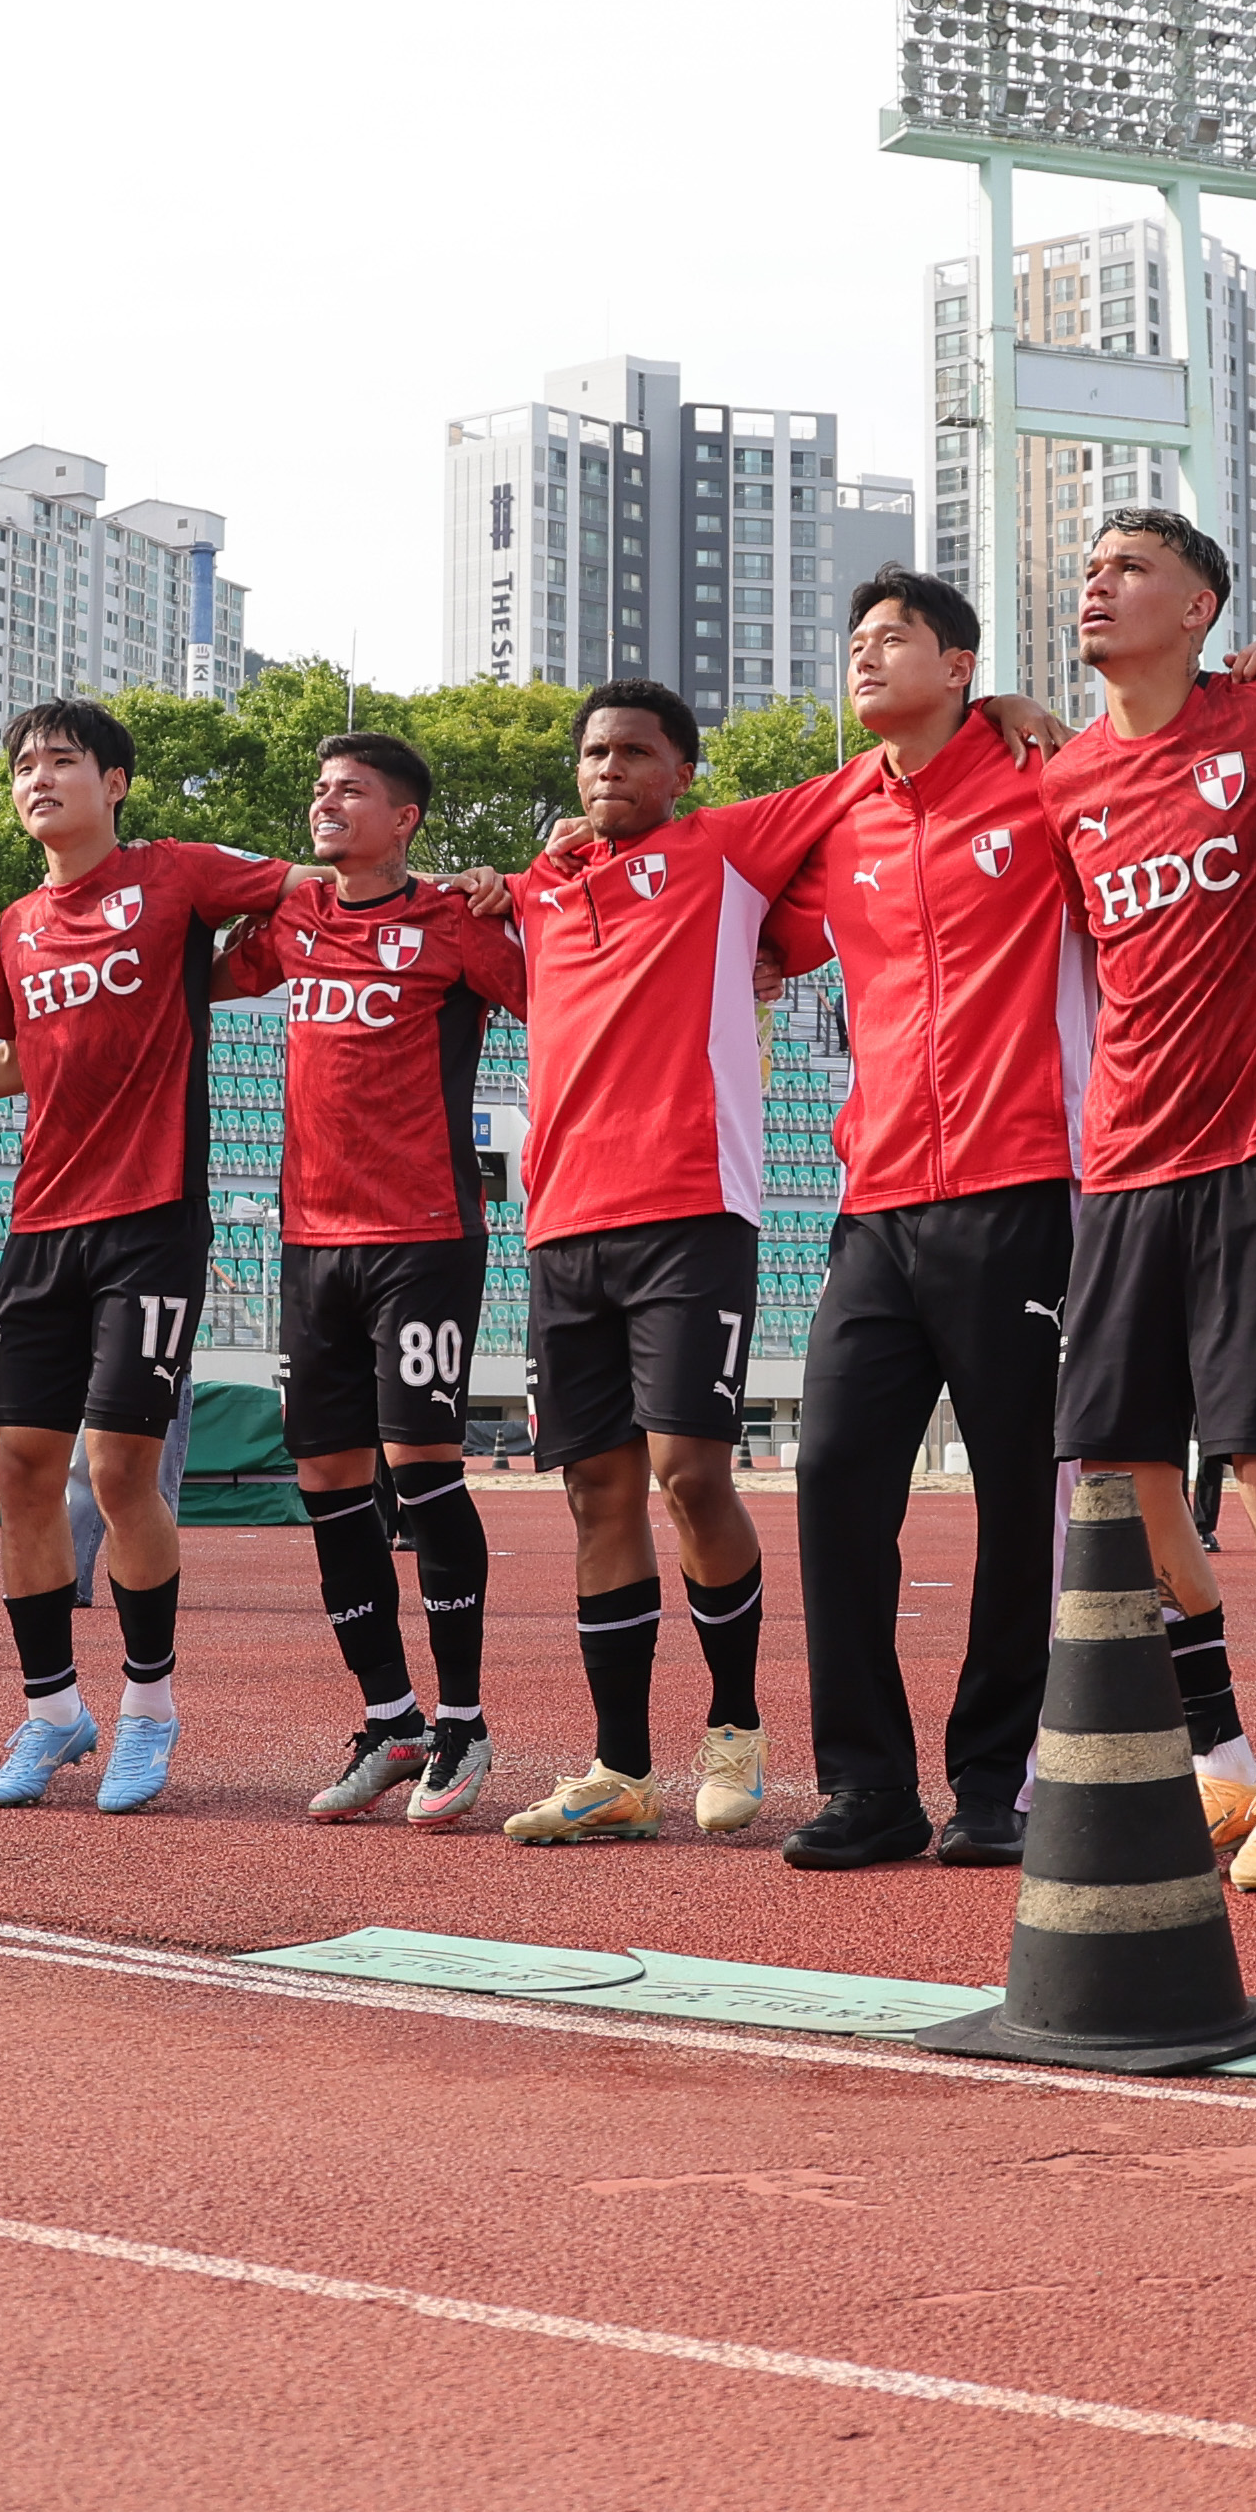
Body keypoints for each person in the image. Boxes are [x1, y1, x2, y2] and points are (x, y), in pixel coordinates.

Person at [1027, 508, 1256, 1892]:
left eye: (1130, 568)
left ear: (1199, 606)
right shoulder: (1065, 778)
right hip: (1123, 1162)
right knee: (1118, 1469)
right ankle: (1223, 1757)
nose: (1097, 584)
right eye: (1089, 568)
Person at [0, 701, 297, 1811]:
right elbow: (16, 1059)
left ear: (115, 783)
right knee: (20, 1472)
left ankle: (149, 1707)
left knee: (117, 1469)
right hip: (38, 1227)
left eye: (63, 759)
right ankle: (52, 1712)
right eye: (24, 765)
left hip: (150, 1217)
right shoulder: (18, 922)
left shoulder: (175, 874)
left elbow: (307, 889)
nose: (39, 777)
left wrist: (242, 967)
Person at [752, 572, 1090, 1875]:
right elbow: (736, 909)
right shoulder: (835, 811)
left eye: (893, 636)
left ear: (960, 665)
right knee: (833, 1475)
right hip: (874, 1203)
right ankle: (866, 1784)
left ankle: (997, 1778)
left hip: (1023, 1187)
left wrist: (1031, 715)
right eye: (854, 639)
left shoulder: (1039, 776)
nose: (864, 654)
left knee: (1021, 1497)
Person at [485, 679, 861, 1846]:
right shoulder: (539, 886)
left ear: (682, 772)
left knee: (689, 1472)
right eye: (594, 752)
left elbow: (874, 777)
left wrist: (992, 707)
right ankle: (617, 1768)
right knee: (594, 1492)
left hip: (691, 1208)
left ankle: (735, 1724)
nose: (609, 768)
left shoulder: (725, 848)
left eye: (635, 752)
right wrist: (491, 880)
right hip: (560, 1224)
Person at [209, 724, 526, 1828]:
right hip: (309, 1241)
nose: (324, 801)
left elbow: (556, 994)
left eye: (349, 789)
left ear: (405, 819)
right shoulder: (294, 916)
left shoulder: (455, 920)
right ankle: (390, 1718)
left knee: (423, 1470)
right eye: (319, 786)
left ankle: (464, 1720)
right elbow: (199, 978)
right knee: (328, 1483)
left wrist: (510, 891)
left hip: (423, 1235)